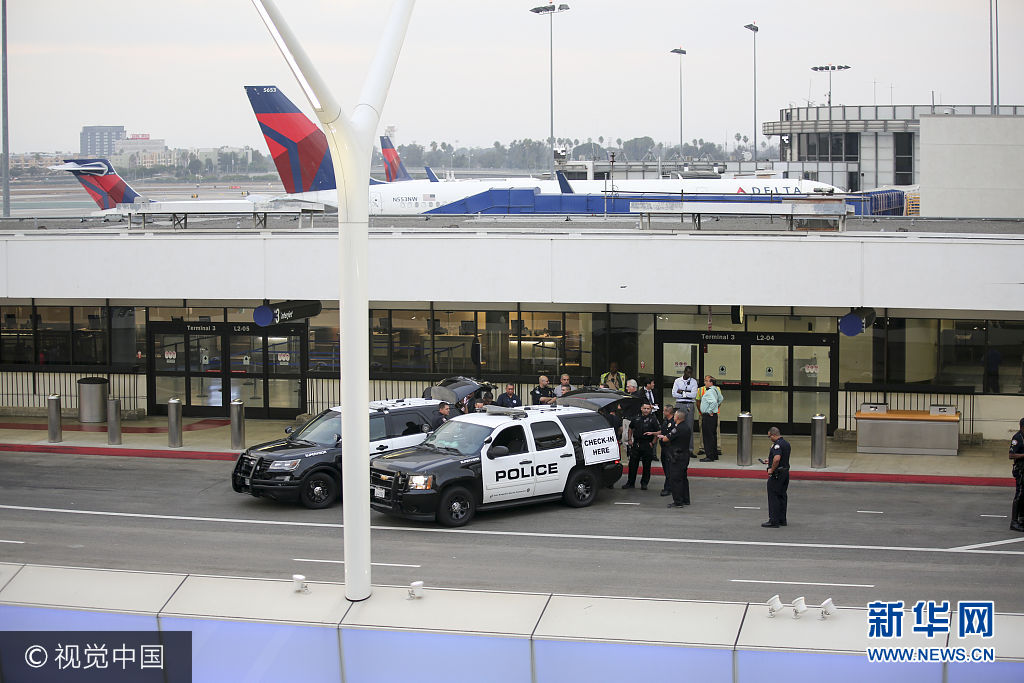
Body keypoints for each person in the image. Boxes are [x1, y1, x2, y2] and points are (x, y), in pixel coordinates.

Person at [622, 402, 660, 490]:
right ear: (641, 409)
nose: (646, 410)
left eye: (648, 409)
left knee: (646, 465)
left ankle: (644, 483)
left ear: (650, 409)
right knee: (632, 465)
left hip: (647, 444)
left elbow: (658, 432)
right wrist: (630, 439)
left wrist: (653, 443)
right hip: (636, 443)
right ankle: (630, 483)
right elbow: (630, 428)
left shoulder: (653, 419)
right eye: (644, 408)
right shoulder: (636, 418)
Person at [659, 407, 692, 509]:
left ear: (677, 417)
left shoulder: (678, 428)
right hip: (684, 455)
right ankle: (685, 499)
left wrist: (663, 437)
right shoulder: (686, 427)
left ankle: (678, 501)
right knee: (683, 478)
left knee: (676, 479)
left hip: (677, 456)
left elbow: (666, 439)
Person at [759, 426, 791, 528]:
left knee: (773, 496)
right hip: (785, 472)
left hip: (777, 474)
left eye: (770, 437)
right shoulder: (786, 443)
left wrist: (771, 470)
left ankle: (774, 520)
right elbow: (782, 458)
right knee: (782, 495)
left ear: (773, 435)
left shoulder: (777, 445)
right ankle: (782, 519)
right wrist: (770, 460)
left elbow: (777, 459)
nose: (770, 439)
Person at [671, 366, 698, 455]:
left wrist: (682, 392)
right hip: (679, 404)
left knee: (689, 427)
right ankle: (678, 448)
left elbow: (693, 395)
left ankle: (690, 450)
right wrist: (687, 393)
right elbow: (674, 394)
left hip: (689, 405)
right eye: (688, 372)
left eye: (690, 373)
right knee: (677, 426)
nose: (689, 374)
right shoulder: (677, 381)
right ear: (684, 372)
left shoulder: (693, 382)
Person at [698, 375, 724, 462]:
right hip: (714, 416)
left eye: (706, 381)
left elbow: (713, 402)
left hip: (708, 416)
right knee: (713, 436)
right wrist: (715, 408)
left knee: (707, 436)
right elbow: (721, 399)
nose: (705, 382)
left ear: (711, 383)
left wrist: (710, 411)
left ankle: (709, 455)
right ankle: (714, 454)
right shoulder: (716, 390)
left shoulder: (709, 392)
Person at [1009, 418, 1024, 532]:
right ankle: (1014, 522)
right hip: (1020, 470)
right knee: (1019, 493)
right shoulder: (1017, 438)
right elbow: (1011, 455)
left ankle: (1021, 518)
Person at [658, 405, 676, 496]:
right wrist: (653, 433)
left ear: (669, 412)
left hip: (669, 448)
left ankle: (668, 488)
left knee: (669, 469)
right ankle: (670, 486)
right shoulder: (665, 421)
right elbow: (662, 431)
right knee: (666, 467)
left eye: (664, 410)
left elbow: (672, 435)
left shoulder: (673, 422)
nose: (663, 412)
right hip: (664, 448)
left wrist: (664, 437)